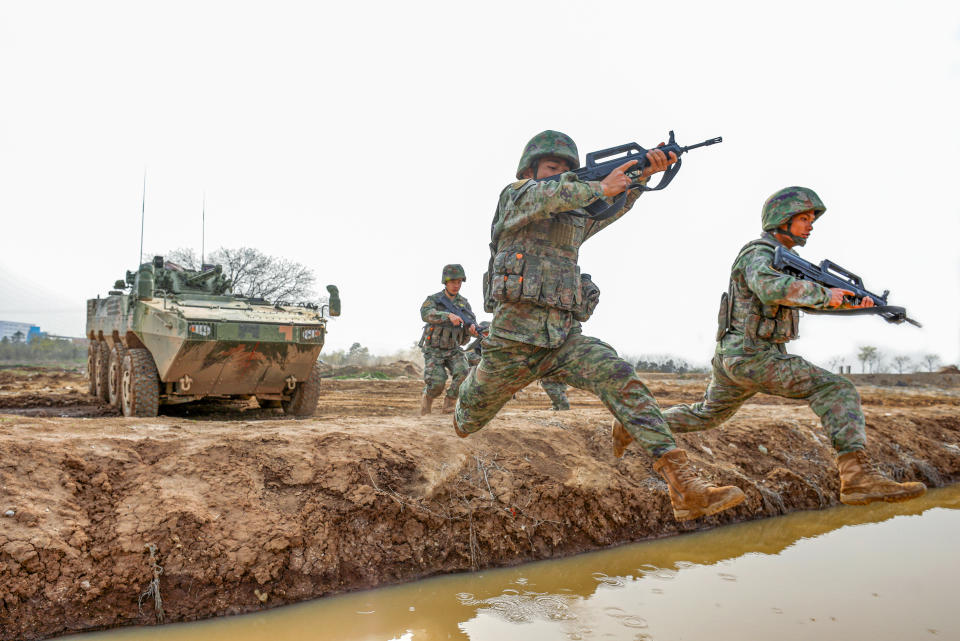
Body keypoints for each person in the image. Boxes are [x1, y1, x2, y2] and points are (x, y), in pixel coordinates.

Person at [455, 130, 746, 522]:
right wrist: (597, 184)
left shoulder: (573, 218)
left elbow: (609, 207)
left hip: (563, 340)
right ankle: (466, 392)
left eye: (565, 168)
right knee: (467, 421)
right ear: (530, 170)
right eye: (552, 167)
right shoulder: (515, 198)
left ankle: (684, 488)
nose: (559, 173)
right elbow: (554, 194)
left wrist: (644, 175)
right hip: (512, 343)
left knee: (619, 374)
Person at [613, 186, 926, 506]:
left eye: (811, 219)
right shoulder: (758, 254)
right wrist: (824, 294)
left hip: (737, 356)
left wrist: (866, 305)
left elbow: (810, 301)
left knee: (706, 416)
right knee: (837, 390)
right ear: (782, 219)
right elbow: (770, 288)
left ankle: (634, 423)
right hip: (753, 356)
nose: (810, 225)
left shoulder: (786, 260)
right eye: (803, 218)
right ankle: (858, 477)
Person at [466, 322, 568, 410]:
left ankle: (561, 406)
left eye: (489, 333)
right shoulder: (475, 347)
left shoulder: (501, 343)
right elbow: (470, 357)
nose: (487, 335)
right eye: (484, 333)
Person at [419, 264, 477, 415]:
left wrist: (473, 330)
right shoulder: (434, 300)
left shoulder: (463, 303)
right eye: (453, 282)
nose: (456, 285)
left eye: (459, 282)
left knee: (464, 373)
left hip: (453, 349)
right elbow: (425, 313)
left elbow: (471, 322)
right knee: (437, 383)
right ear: (445, 282)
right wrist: (447, 316)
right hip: (434, 350)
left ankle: (449, 403)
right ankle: (428, 398)